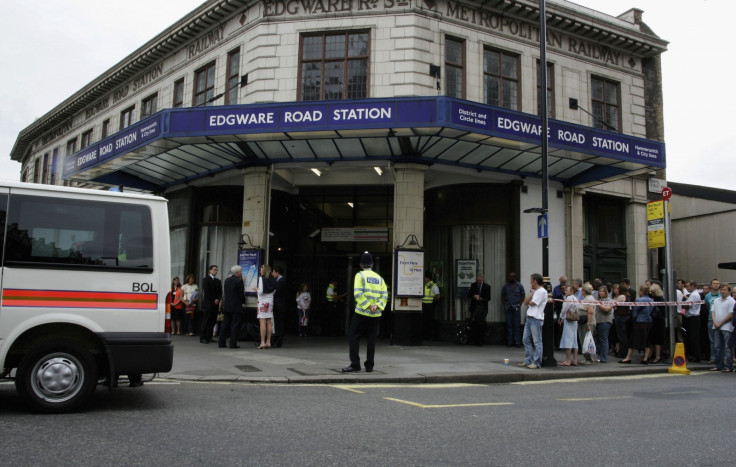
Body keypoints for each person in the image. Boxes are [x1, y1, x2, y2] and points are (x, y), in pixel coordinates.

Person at [342, 251, 388, 373]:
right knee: (371, 339)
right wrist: (376, 306)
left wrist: (368, 306)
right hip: (376, 314)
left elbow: (358, 294)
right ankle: (369, 366)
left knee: (353, 337)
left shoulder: (360, 276)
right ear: (372, 265)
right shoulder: (380, 278)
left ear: (361, 265)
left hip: (362, 313)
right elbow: (384, 295)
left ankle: (355, 364)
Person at [619, 285, 654, 364]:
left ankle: (628, 357)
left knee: (633, 339)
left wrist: (634, 318)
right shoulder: (652, 300)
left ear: (641, 291)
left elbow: (635, 313)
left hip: (639, 321)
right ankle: (645, 358)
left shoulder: (639, 300)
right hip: (649, 321)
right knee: (647, 340)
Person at [519, 273, 547, 369]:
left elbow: (530, 303)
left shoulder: (542, 292)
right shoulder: (535, 291)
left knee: (537, 342)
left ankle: (537, 362)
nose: (530, 281)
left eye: (531, 279)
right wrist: (531, 294)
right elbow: (525, 303)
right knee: (525, 339)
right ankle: (528, 360)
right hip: (529, 317)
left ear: (535, 281)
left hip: (536, 318)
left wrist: (531, 294)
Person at [218, 265, 246, 349]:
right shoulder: (239, 281)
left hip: (227, 306)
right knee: (235, 325)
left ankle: (221, 342)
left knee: (225, 324)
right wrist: (243, 301)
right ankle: (232, 343)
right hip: (236, 306)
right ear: (237, 273)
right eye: (241, 272)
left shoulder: (227, 280)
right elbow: (241, 294)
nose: (241, 273)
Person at [710, 284, 734, 372]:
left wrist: (721, 323)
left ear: (728, 291)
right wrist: (715, 322)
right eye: (721, 289)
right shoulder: (716, 300)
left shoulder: (731, 301)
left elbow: (731, 314)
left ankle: (729, 366)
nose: (722, 291)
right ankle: (719, 365)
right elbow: (713, 312)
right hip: (716, 326)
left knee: (727, 347)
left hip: (727, 326)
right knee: (717, 346)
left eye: (724, 290)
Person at [501, 272, 525, 347]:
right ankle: (510, 341)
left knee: (517, 325)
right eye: (510, 277)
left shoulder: (519, 285)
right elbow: (502, 295)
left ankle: (517, 342)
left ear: (515, 277)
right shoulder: (505, 286)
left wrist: (519, 305)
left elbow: (523, 295)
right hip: (508, 307)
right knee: (509, 325)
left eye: (512, 277)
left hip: (516, 307)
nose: (511, 278)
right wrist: (505, 305)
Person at [466, 273, 491, 346]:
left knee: (481, 324)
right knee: (474, 323)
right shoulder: (473, 285)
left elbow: (488, 298)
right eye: (478, 280)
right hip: (474, 307)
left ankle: (481, 340)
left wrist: (480, 298)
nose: (479, 282)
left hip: (482, 308)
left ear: (482, 279)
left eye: (480, 280)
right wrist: (474, 296)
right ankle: (474, 339)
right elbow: (468, 294)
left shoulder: (487, 286)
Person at [199, 265, 222, 344]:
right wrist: (213, 299)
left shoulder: (218, 281)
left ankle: (209, 336)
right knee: (206, 320)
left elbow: (220, 292)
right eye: (214, 269)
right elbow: (207, 291)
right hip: (208, 302)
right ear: (210, 270)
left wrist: (218, 299)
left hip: (215, 303)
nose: (216, 271)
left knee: (213, 320)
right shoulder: (206, 280)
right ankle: (203, 337)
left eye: (216, 270)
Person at [558, 285, 579, 366]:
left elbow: (564, 310)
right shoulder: (576, 298)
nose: (565, 291)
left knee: (568, 340)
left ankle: (567, 360)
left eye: (567, 290)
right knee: (574, 341)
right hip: (575, 321)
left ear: (572, 291)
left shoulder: (569, 298)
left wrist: (560, 318)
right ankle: (575, 360)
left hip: (568, 320)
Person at [256, 264, 275, 349]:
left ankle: (262, 342)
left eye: (260, 269)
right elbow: (275, 289)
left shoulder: (261, 278)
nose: (260, 271)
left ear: (264, 270)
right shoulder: (273, 279)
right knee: (269, 321)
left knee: (262, 321)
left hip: (263, 301)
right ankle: (269, 341)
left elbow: (261, 291)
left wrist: (256, 289)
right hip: (270, 300)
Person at [682, 280, 701, 362]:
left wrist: (680, 304)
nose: (687, 288)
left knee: (693, 338)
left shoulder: (694, 295)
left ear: (693, 286)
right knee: (691, 337)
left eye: (688, 286)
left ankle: (696, 356)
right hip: (692, 318)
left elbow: (687, 306)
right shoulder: (692, 295)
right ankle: (693, 354)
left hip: (693, 318)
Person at [578, 283, 597, 364]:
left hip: (587, 323)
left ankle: (588, 359)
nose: (581, 291)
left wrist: (588, 324)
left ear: (585, 291)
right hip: (586, 322)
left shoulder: (588, 299)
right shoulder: (588, 298)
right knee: (585, 340)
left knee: (585, 341)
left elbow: (590, 312)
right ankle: (587, 358)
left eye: (582, 290)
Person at [594, 285, 614, 363]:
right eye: (600, 291)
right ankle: (599, 356)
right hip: (598, 321)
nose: (601, 293)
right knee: (598, 340)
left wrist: (599, 303)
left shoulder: (609, 300)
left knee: (603, 339)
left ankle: (603, 357)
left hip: (605, 321)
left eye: (603, 291)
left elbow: (607, 309)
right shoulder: (598, 299)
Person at [647, 284, 666, 364]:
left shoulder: (659, 299)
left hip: (658, 321)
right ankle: (652, 355)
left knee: (657, 340)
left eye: (652, 291)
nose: (651, 293)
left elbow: (659, 311)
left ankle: (658, 356)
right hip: (655, 321)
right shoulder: (655, 298)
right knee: (653, 339)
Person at [614, 283, 632, 359]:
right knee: (624, 335)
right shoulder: (628, 296)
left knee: (621, 335)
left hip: (620, 317)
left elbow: (614, 306)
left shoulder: (621, 296)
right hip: (626, 316)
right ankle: (624, 352)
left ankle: (622, 352)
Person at [704, 279, 721, 363]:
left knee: (720, 339)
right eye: (714, 283)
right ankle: (713, 357)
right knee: (712, 339)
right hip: (711, 319)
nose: (716, 285)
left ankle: (720, 357)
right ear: (711, 285)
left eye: (717, 283)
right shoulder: (707, 296)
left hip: (721, 319)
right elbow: (708, 306)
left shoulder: (721, 295)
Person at [271, 266, 288, 348]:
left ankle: (279, 341)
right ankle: (276, 340)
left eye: (273, 272)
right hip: (278, 305)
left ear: (277, 272)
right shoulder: (277, 280)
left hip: (280, 306)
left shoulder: (282, 281)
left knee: (279, 323)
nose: (272, 274)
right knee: (277, 323)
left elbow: (277, 292)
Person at [422, 274, 440, 340]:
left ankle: (431, 336)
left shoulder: (434, 286)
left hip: (430, 305)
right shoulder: (424, 285)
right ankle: (426, 336)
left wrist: (436, 303)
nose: (424, 279)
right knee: (425, 321)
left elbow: (438, 296)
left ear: (428, 278)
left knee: (430, 321)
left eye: (425, 278)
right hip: (424, 305)